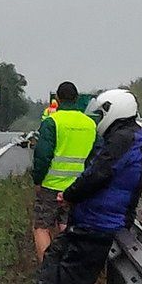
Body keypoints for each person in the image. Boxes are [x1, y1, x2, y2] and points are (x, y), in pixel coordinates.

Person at [20, 89, 142, 284]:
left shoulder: (123, 140)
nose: (99, 120)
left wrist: (70, 194)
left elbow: (98, 172)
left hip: (100, 224)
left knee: (71, 278)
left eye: (102, 114)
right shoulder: (124, 136)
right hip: (94, 218)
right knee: (55, 256)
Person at [31, 82, 96, 263]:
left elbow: (42, 155)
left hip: (51, 186)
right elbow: (96, 157)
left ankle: (48, 273)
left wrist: (38, 180)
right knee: (67, 227)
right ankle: (67, 270)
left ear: (57, 99)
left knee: (42, 227)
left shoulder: (52, 122)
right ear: (76, 99)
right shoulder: (90, 125)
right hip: (77, 189)